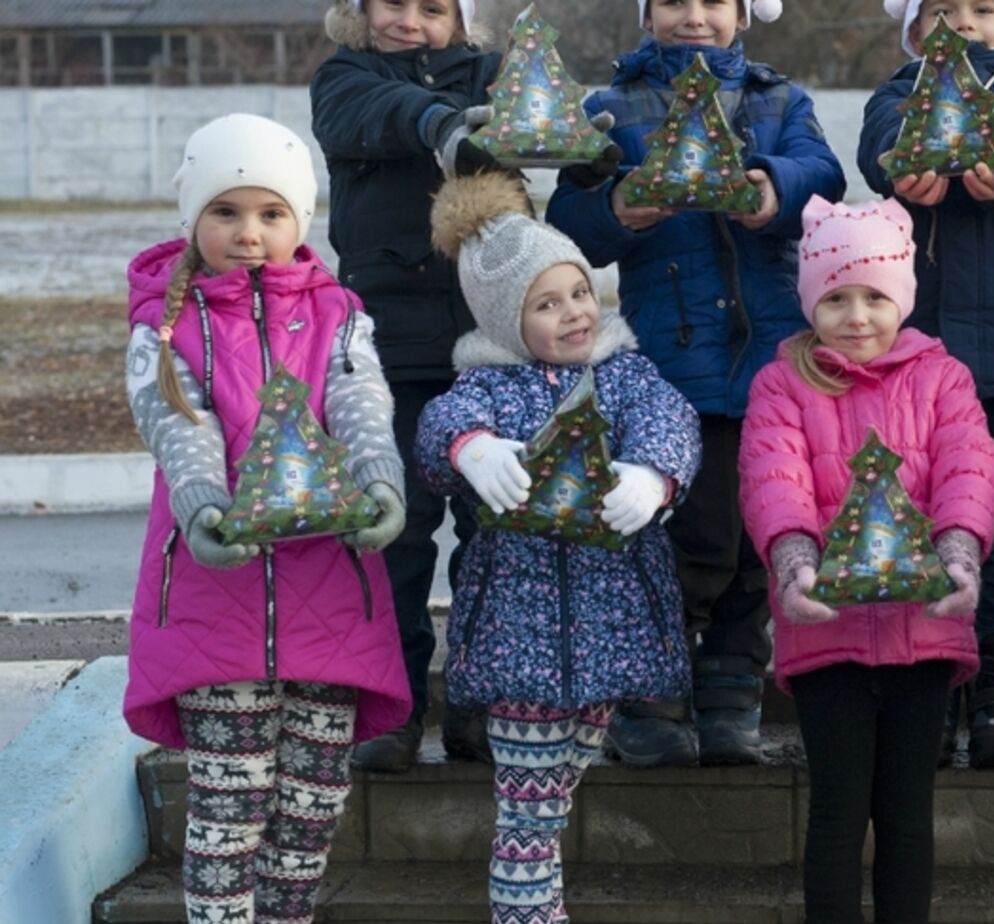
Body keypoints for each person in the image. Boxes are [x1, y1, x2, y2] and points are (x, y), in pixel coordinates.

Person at [122, 113, 412, 924]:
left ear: (301, 220)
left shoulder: (338, 314)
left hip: (332, 598)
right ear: (193, 219)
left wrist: (378, 482)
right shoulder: (164, 322)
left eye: (271, 213)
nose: (249, 233)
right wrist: (202, 502)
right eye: (227, 212)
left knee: (312, 811)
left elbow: (360, 402)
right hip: (217, 603)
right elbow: (176, 420)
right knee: (229, 812)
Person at [547, 0, 847, 768]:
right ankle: (649, 697)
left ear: (744, 12)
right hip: (673, 363)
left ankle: (730, 699)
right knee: (687, 540)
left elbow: (824, 178)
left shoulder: (779, 101)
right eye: (673, 2)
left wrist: (770, 189)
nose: (694, 17)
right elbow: (570, 221)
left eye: (713, 1)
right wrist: (621, 208)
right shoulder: (609, 111)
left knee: (762, 540)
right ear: (648, 15)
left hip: (775, 367)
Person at [416, 170, 702, 923]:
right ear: (509, 320)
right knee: (529, 818)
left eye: (578, 291)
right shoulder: (490, 386)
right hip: (521, 638)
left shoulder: (623, 370)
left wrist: (654, 475)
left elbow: (670, 420)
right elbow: (438, 428)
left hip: (609, 634)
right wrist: (472, 450)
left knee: (558, 790)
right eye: (547, 304)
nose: (574, 313)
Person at [739, 195, 994, 922]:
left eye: (875, 298)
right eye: (837, 299)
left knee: (909, 817)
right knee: (837, 813)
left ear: (904, 299)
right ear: (811, 303)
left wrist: (957, 555)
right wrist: (795, 567)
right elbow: (773, 479)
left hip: (927, 632)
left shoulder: (943, 378)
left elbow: (968, 470)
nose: (857, 317)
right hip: (828, 633)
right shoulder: (782, 381)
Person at [859, 0, 994, 769]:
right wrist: (902, 164)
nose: (964, 23)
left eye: (983, 8)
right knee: (918, 513)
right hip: (916, 357)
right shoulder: (895, 96)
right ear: (915, 31)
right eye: (943, 10)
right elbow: (881, 144)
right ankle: (932, 675)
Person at [312, 0, 507, 770]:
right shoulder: (346, 77)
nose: (409, 20)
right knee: (394, 533)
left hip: (489, 347)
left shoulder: (496, 77)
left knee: (493, 539)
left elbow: (546, 135)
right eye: (391, 2)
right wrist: (442, 125)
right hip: (388, 349)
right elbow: (374, 112)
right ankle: (390, 707)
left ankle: (481, 704)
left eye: (433, 8)